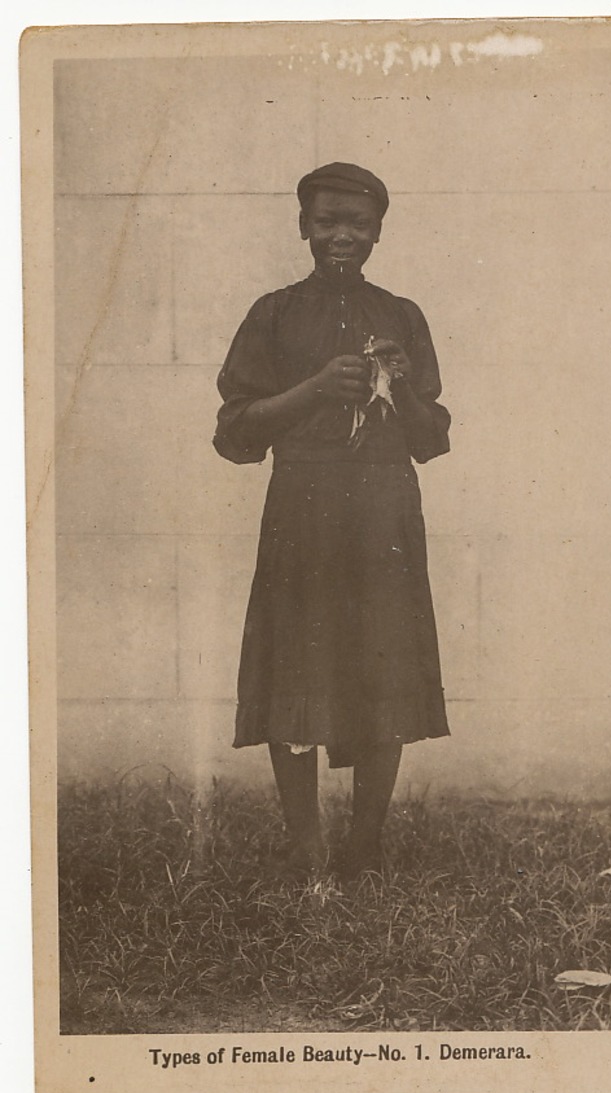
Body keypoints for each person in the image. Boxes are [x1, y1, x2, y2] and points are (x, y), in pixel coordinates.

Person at [213, 161, 450, 878]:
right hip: (303, 507)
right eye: (327, 222)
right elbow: (234, 434)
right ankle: (306, 848)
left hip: (384, 508)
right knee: (297, 668)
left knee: (385, 666)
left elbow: (431, 439)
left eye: (358, 223)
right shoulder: (274, 313)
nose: (341, 235)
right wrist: (313, 391)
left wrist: (402, 389)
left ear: (378, 232)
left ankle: (365, 847)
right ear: (304, 228)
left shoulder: (403, 315)